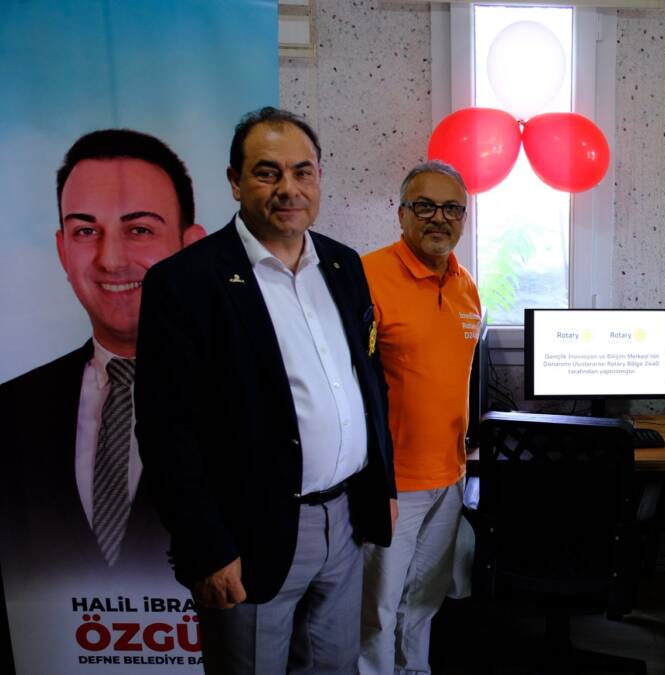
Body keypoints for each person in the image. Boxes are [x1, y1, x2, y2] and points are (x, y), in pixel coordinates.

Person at [134, 107, 396, 674]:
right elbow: (166, 432)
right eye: (267, 172)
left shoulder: (344, 265)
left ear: (320, 177)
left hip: (346, 521)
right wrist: (207, 547)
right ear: (235, 181)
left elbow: (369, 381)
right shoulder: (185, 283)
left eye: (303, 172)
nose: (288, 189)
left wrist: (384, 486)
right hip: (250, 535)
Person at [0, 129, 206, 581]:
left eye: (139, 229)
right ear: (63, 251)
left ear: (192, 247)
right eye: (86, 231)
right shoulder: (11, 410)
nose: (110, 259)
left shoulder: (241, 393)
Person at [358, 160, 481, 675]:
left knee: (424, 600)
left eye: (452, 209)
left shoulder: (465, 285)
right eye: (425, 206)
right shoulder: (367, 276)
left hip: (449, 475)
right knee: (377, 610)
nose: (439, 218)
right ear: (402, 213)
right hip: (392, 482)